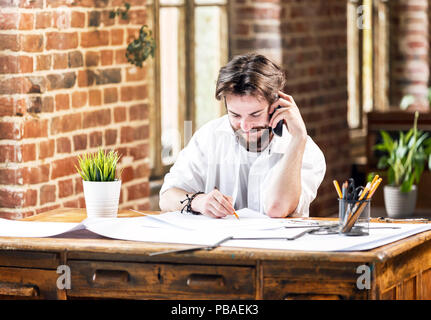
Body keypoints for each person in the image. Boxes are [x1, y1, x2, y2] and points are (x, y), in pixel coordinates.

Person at [159, 53, 326, 218]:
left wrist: (298, 138)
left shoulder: (306, 151)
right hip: (218, 244)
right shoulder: (208, 137)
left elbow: (277, 209)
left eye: (255, 114)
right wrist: (199, 201)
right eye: (235, 115)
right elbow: (166, 198)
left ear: (276, 106)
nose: (245, 126)